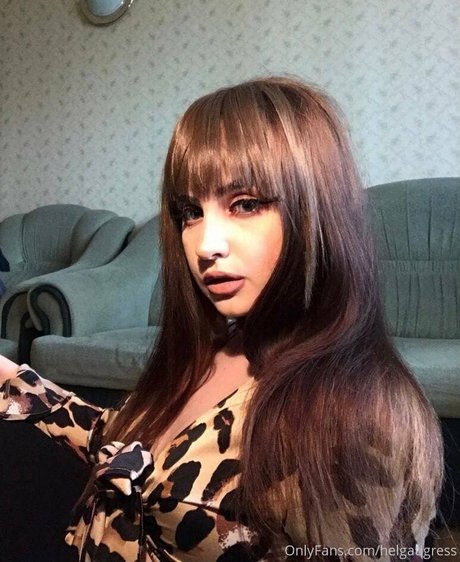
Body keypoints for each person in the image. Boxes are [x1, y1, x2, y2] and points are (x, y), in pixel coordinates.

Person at [0, 77, 443, 562]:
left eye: (245, 204)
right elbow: (136, 448)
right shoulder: (218, 346)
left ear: (317, 211)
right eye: (190, 212)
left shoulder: (358, 416)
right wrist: (16, 382)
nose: (206, 245)